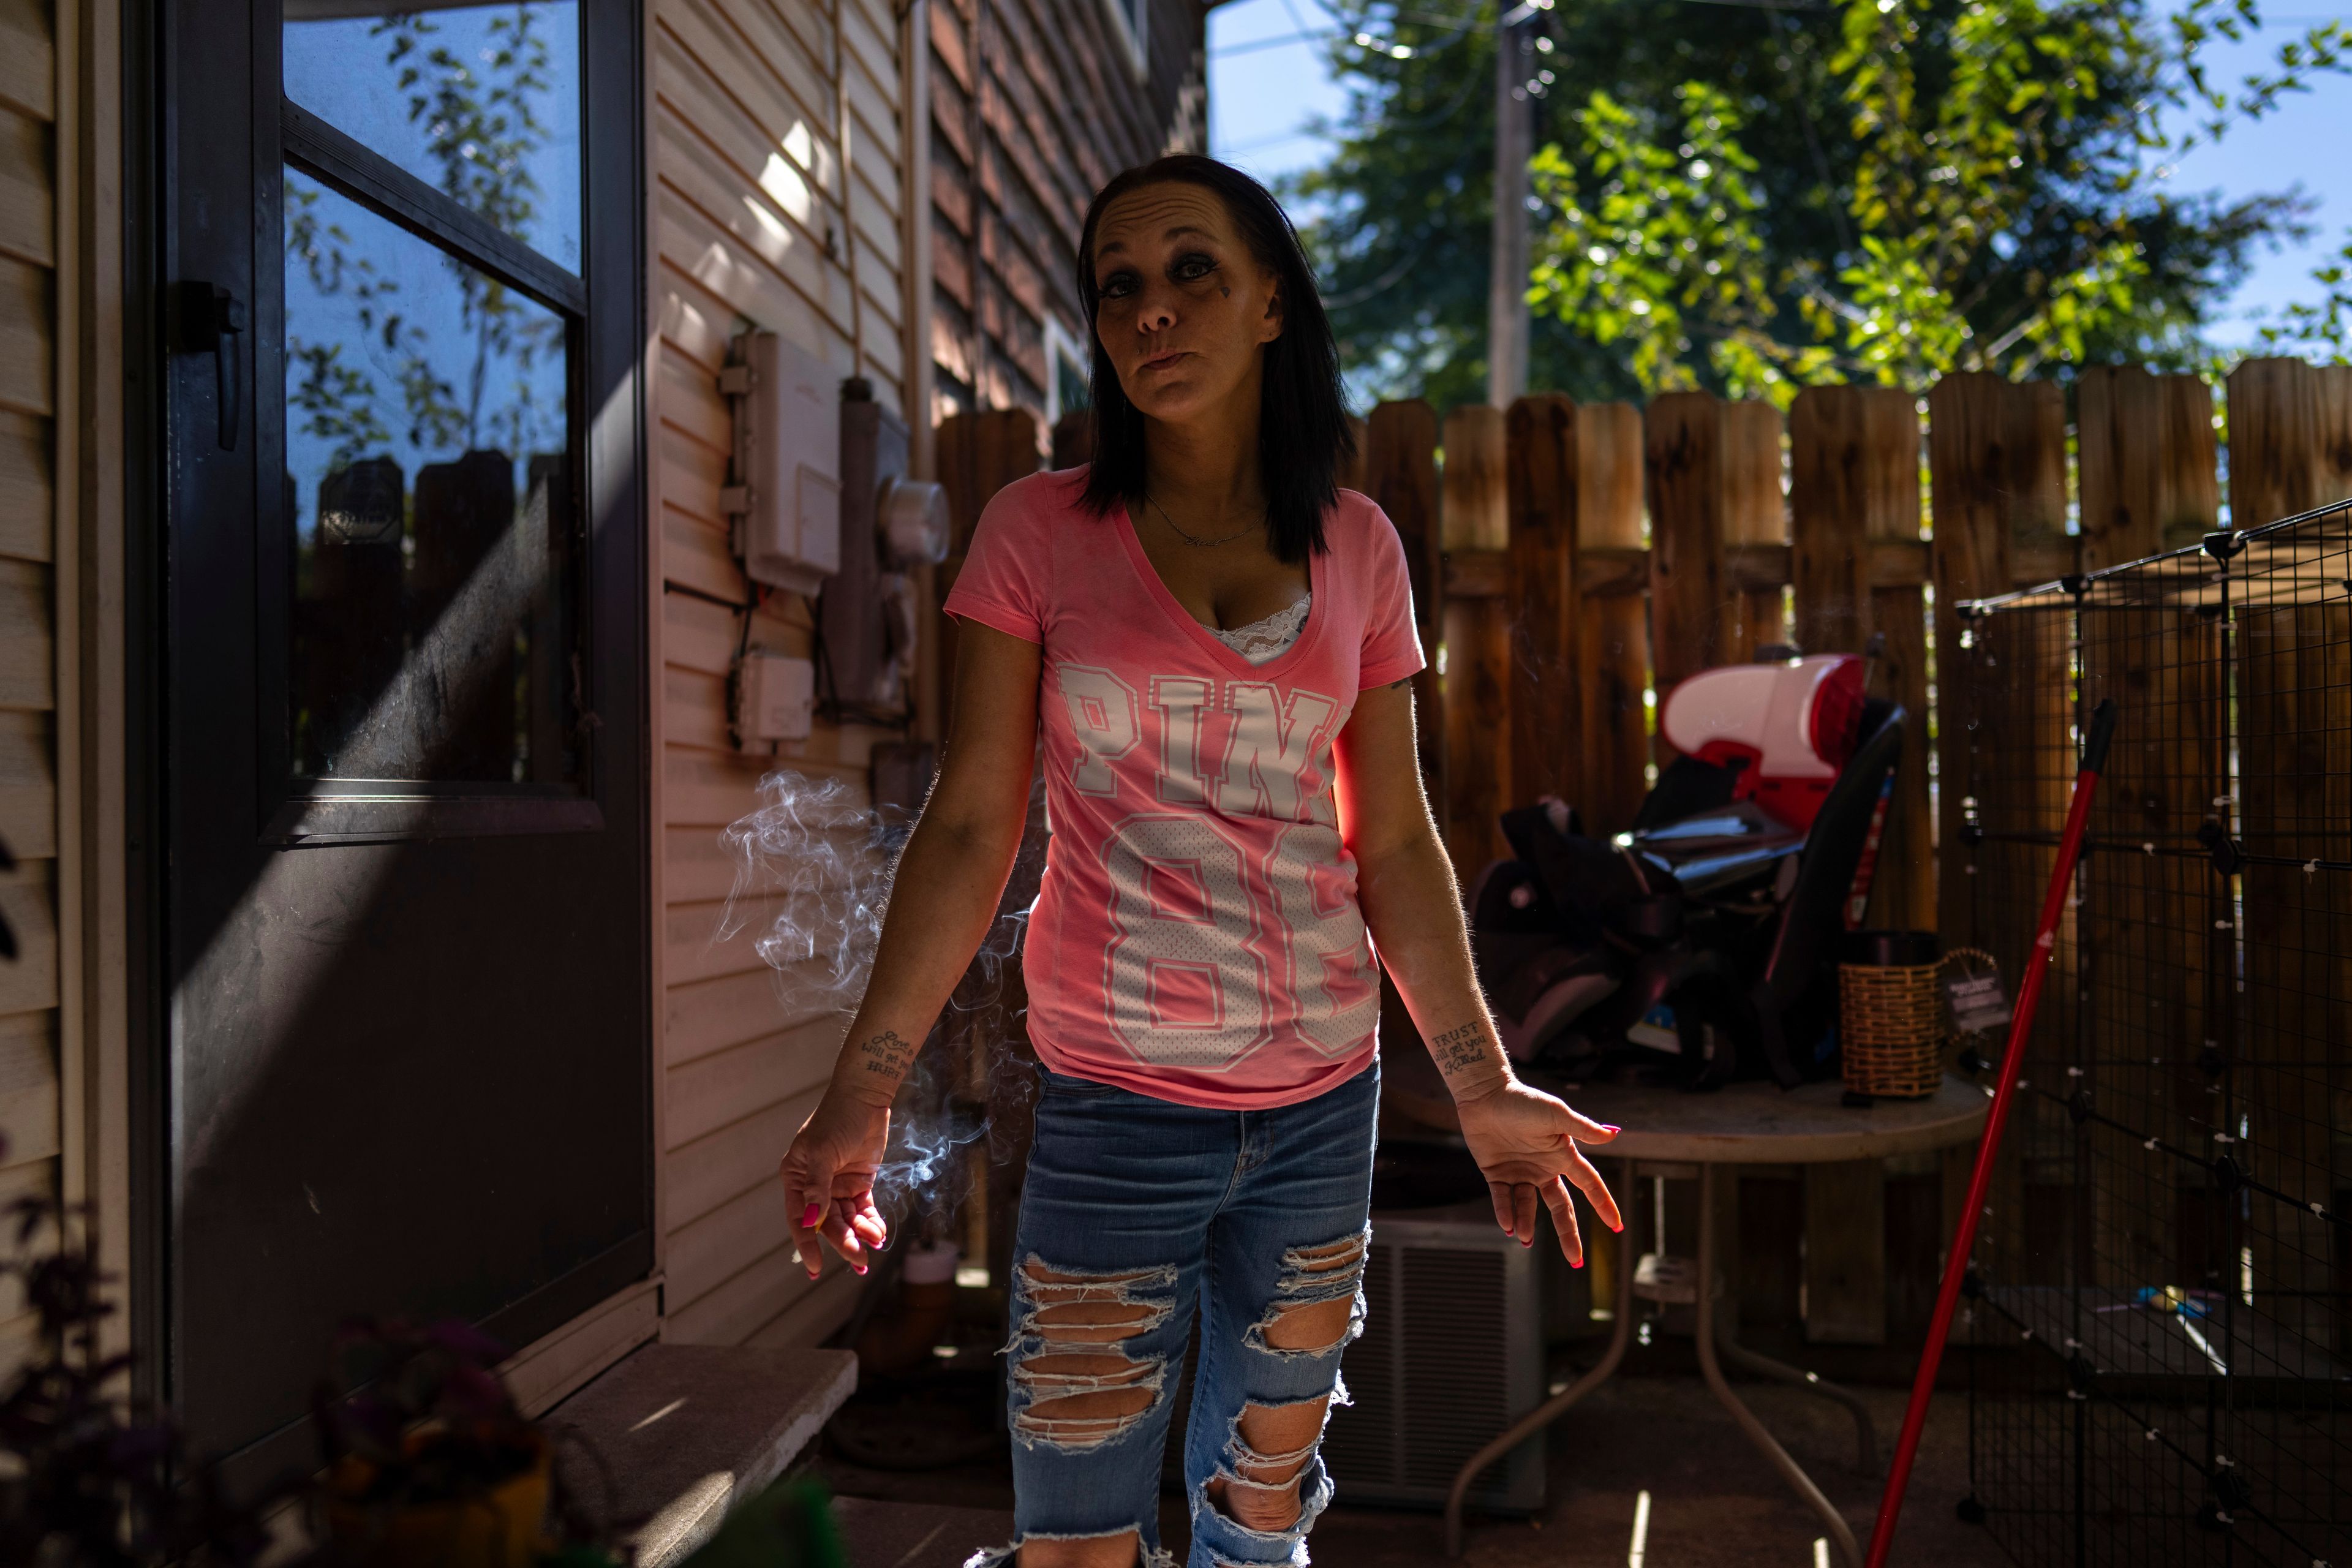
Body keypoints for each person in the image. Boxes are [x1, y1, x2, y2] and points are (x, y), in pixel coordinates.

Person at [779, 154, 1626, 1568]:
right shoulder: (1035, 533)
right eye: (1120, 287)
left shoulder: (1357, 546)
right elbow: (975, 823)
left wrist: (1480, 1089)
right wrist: (863, 1090)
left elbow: (1397, 841)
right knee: (1077, 1542)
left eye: (1192, 273)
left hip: (1318, 1116)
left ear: (1274, 305)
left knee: (1258, 1523)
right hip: (1114, 1115)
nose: (1151, 311)